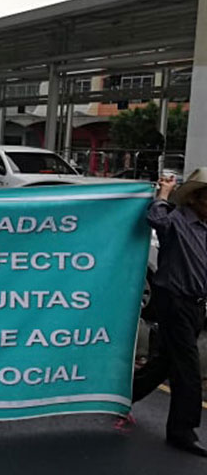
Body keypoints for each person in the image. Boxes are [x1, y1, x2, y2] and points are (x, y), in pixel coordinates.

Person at [134, 168, 207, 456]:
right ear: (197, 199)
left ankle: (125, 395)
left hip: (196, 305)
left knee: (165, 362)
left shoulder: (204, 227)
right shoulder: (177, 220)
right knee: (187, 368)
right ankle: (181, 430)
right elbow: (155, 217)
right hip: (174, 301)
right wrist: (163, 193)